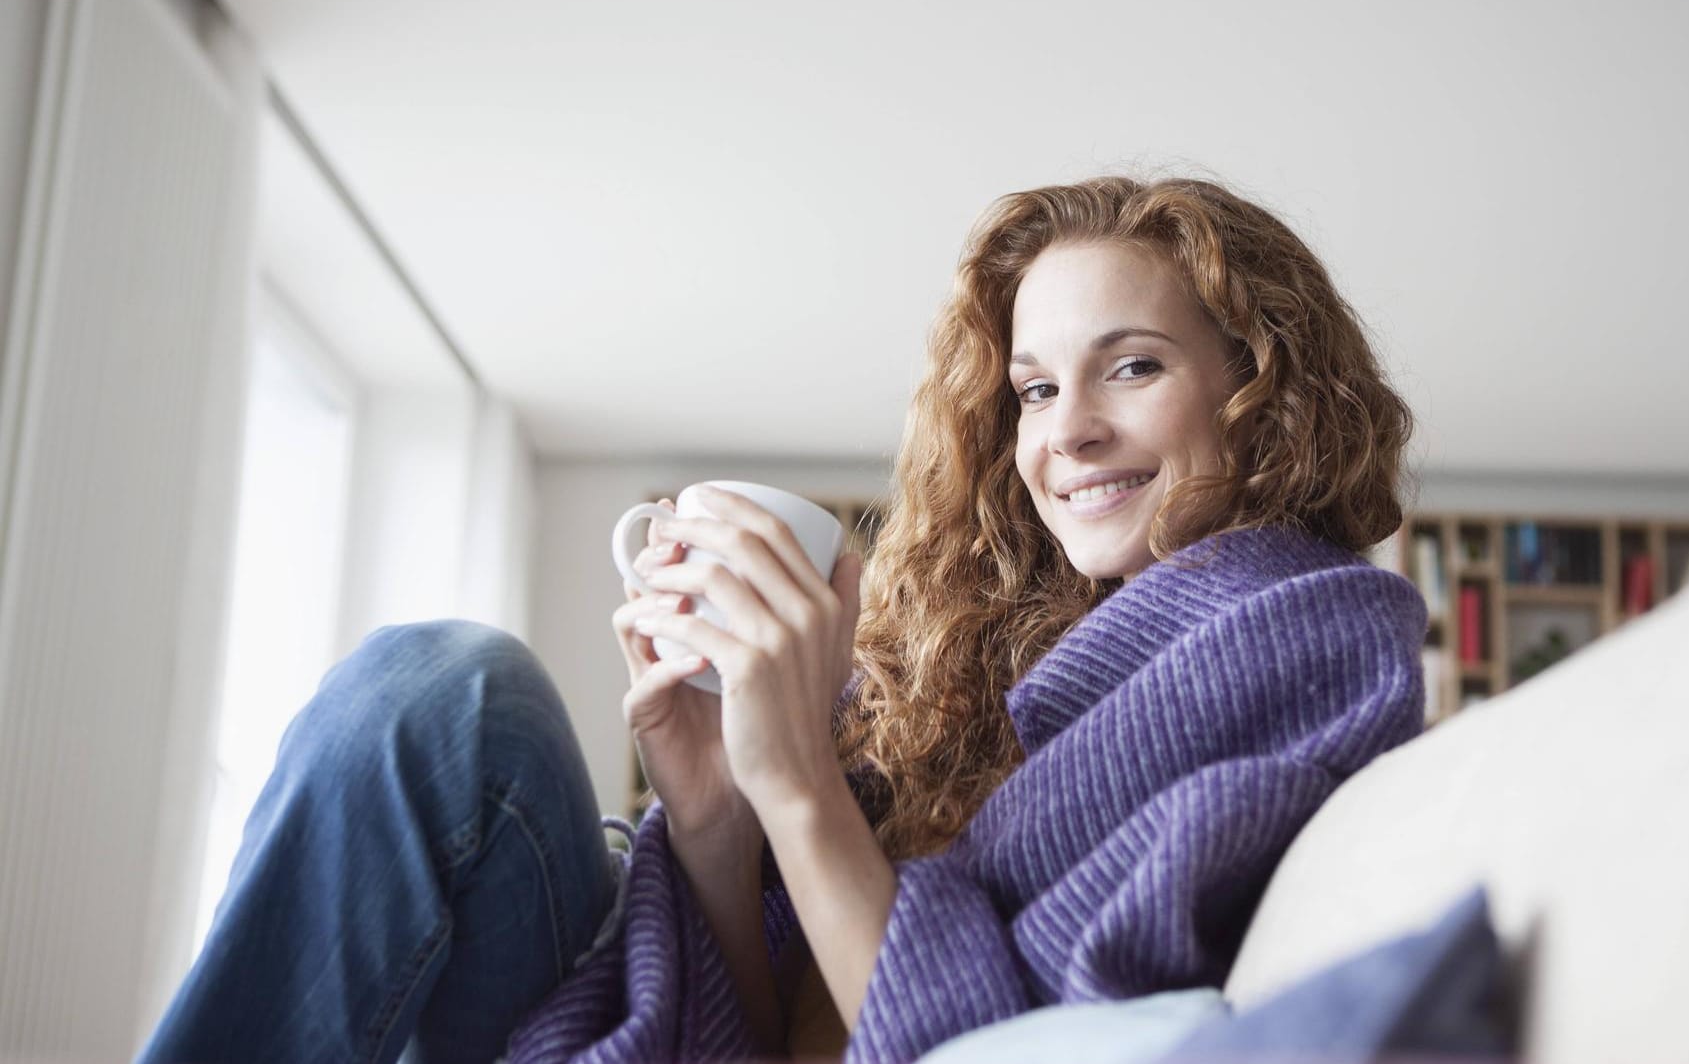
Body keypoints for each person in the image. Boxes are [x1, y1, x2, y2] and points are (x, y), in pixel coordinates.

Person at [138, 173, 1425, 1064]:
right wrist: (711, 810)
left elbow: (956, 1047)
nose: (1067, 432)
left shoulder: (1299, 636)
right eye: (1034, 389)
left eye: (1131, 365)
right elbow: (773, 1027)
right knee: (437, 686)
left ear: (1267, 389)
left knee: (453, 695)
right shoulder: (1001, 666)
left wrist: (798, 780)